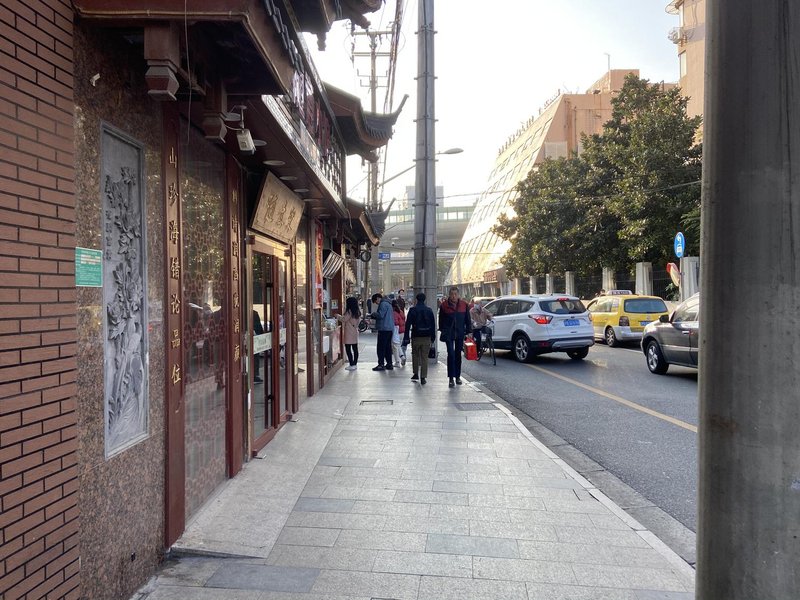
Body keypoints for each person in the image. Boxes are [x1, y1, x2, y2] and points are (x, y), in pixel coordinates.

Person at [438, 286, 472, 387]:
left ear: (458, 295)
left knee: (458, 355)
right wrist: (443, 330)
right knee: (451, 354)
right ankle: (451, 378)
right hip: (449, 334)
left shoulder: (464, 305)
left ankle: (458, 376)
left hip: (460, 333)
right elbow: (441, 320)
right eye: (452, 294)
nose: (453, 296)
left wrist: (469, 331)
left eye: (455, 294)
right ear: (449, 294)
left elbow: (467, 320)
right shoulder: (444, 306)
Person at [402, 293, 436, 384]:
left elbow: (408, 324)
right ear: (424, 300)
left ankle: (416, 373)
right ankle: (423, 377)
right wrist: (433, 337)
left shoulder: (413, 310)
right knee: (424, 357)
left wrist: (406, 337)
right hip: (426, 336)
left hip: (416, 336)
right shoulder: (429, 310)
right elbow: (433, 325)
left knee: (415, 355)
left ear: (416, 300)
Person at [371, 292, 394, 371]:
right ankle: (389, 363)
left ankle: (381, 364)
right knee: (388, 347)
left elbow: (380, 315)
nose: (376, 304)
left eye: (375, 302)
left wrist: (373, 314)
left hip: (384, 328)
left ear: (378, 298)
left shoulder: (383, 304)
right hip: (389, 328)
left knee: (381, 347)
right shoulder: (388, 303)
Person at [337, 296, 361, 370]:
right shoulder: (357, 311)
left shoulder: (349, 311)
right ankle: (355, 364)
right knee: (355, 348)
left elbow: (344, 319)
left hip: (349, 332)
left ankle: (351, 364)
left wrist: (337, 316)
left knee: (348, 348)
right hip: (355, 331)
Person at [391, 299, 406, 367]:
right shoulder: (401, 311)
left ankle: (397, 361)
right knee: (398, 345)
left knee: (395, 346)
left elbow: (396, 322)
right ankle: (402, 357)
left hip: (397, 331)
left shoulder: (394, 313)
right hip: (402, 331)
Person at [252, 309, 264, 383]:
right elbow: (259, 328)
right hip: (253, 339)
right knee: (254, 356)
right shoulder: (253, 313)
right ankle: (254, 375)